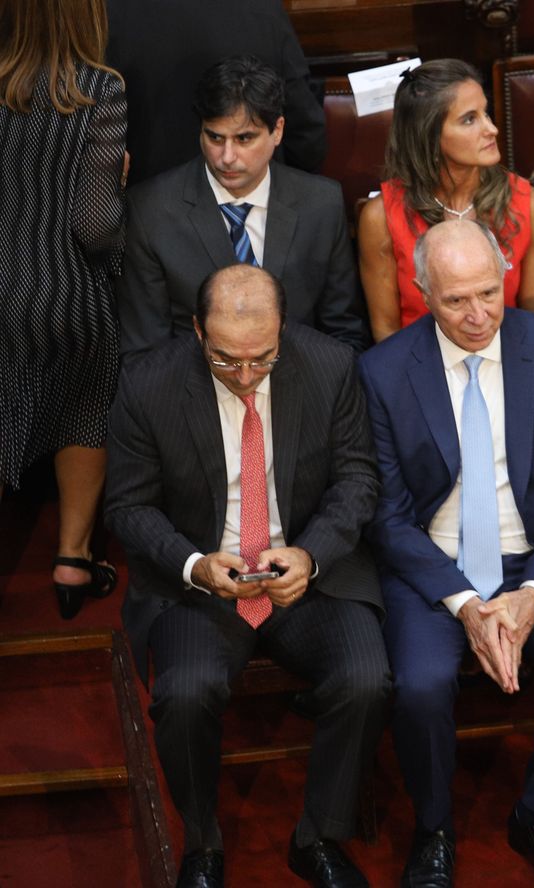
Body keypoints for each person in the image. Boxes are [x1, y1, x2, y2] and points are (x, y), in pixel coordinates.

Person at [106, 264, 391, 888]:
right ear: (197, 331)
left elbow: (357, 478)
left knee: (366, 678)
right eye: (224, 359)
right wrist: (194, 565)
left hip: (305, 576)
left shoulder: (330, 365)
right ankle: (202, 845)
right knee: (185, 694)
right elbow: (128, 506)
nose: (243, 375)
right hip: (201, 584)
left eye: (261, 359)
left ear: (283, 330)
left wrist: (311, 555)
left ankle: (319, 836)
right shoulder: (148, 384)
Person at [358, 220, 534, 888]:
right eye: (455, 301)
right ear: (421, 292)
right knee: (420, 686)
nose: (477, 315)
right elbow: (386, 515)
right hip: (435, 565)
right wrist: (464, 604)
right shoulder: (383, 372)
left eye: (488, 293)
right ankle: (434, 828)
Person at [0, 0, 126, 619]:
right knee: (86, 407)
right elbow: (95, 227)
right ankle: (73, 560)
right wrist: (119, 189)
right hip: (67, 296)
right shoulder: (99, 91)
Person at [117, 55, 367, 358]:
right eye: (215, 137)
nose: (227, 157)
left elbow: (344, 336)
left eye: (244, 138)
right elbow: (145, 356)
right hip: (195, 385)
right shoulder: (151, 211)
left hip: (301, 380)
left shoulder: (321, 203)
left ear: (278, 130)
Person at [358, 59, 534, 342]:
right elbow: (386, 334)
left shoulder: (530, 206)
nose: (491, 129)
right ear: (429, 135)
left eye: (486, 113)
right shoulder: (380, 219)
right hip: (420, 362)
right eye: (469, 119)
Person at [106, 0, 326, 188]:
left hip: (150, 206)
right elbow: (306, 134)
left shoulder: (108, 11)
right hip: (253, 206)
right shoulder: (262, 7)